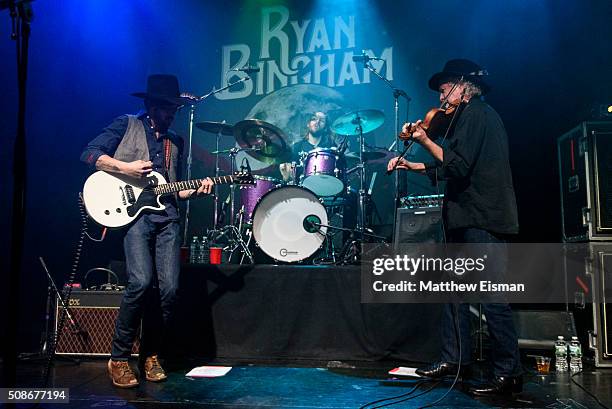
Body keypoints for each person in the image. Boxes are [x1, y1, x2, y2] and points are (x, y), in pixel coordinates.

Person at [387, 59, 521, 396]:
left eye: (445, 87)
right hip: (464, 217)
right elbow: (447, 166)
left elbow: (457, 166)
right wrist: (411, 163)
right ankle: (454, 359)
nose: (441, 94)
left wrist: (422, 139)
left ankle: (508, 372)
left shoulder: (476, 114)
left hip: (481, 217)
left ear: (464, 86)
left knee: (492, 297)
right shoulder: (465, 117)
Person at [81, 74, 214, 388]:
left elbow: (172, 189)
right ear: (151, 105)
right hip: (135, 218)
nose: (171, 114)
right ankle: (119, 357)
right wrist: (125, 168)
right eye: (167, 108)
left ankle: (151, 354)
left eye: (175, 109)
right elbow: (89, 154)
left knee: (168, 291)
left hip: (167, 219)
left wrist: (195, 191)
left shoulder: (175, 142)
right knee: (140, 282)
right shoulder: (125, 125)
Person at [279, 111, 343, 182]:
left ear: (325, 127)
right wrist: (286, 176)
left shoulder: (330, 146)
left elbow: (339, 172)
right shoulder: (297, 147)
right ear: (308, 124)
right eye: (314, 119)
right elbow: (291, 176)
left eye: (321, 120)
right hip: (303, 189)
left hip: (325, 185)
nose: (317, 122)